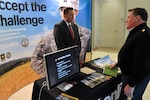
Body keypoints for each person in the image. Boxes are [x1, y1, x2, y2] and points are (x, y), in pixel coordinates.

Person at [31, 0, 91, 78]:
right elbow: (35, 59)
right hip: (61, 80)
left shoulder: (86, 34)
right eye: (62, 10)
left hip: (78, 75)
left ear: (76, 12)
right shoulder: (49, 37)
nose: (64, 14)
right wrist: (51, 76)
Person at [111, 7, 150, 100]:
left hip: (135, 78)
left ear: (137, 18)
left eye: (128, 17)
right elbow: (132, 53)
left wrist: (131, 84)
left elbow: (141, 62)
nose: (126, 20)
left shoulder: (143, 34)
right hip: (133, 76)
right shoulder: (137, 32)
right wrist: (119, 63)